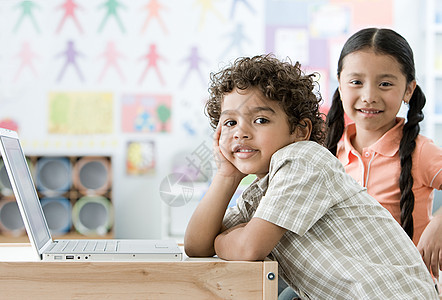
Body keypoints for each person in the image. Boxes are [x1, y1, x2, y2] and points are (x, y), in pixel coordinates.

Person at [184, 54, 439, 299]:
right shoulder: (263, 190)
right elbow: (196, 245)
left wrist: (222, 241)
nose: (241, 133)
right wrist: (226, 175)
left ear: (299, 130)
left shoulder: (302, 160)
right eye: (230, 123)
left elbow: (248, 248)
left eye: (260, 120)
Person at [325, 28, 442, 281]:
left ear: (408, 90)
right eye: (356, 82)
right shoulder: (328, 153)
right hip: (345, 288)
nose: (369, 97)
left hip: (408, 289)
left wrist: (439, 224)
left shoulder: (420, 151)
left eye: (385, 84)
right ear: (340, 84)